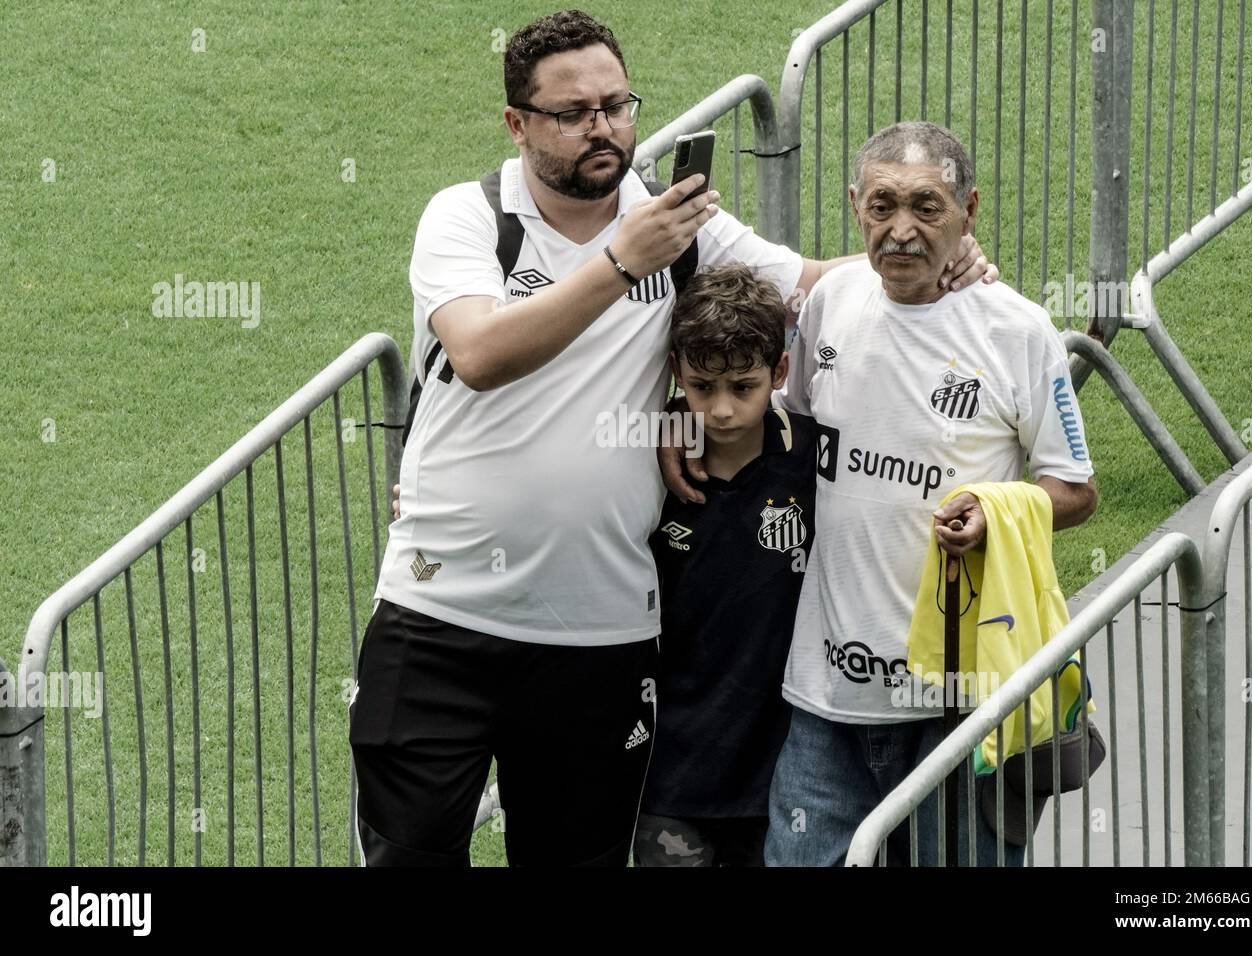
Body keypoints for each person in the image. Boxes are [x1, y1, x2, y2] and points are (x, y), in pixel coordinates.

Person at [352, 9, 995, 868]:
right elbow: (477, 353)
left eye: (618, 105)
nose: (604, 128)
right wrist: (622, 261)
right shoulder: (469, 219)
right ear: (518, 125)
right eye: (574, 112)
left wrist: (935, 253)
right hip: (440, 615)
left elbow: (805, 283)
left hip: (599, 639)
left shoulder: (676, 227)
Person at [759, 121, 1099, 867]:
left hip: (960, 701)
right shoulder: (829, 305)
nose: (901, 230)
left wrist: (998, 513)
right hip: (826, 694)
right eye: (882, 206)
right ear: (855, 206)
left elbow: (1076, 489)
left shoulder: (1019, 331)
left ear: (968, 210)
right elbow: (799, 443)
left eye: (927, 206)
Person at [633, 264, 816, 867]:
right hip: (669, 775)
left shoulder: (818, 461)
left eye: (744, 386)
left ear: (780, 372)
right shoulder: (640, 463)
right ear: (675, 375)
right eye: (701, 387)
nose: (722, 409)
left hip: (785, 773)